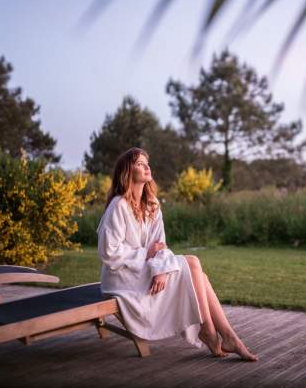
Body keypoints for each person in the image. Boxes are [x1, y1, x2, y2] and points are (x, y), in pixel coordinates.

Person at [96, 147, 257, 361]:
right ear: (127, 171)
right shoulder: (118, 205)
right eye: (140, 163)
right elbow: (108, 252)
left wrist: (161, 269)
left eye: (147, 162)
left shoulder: (152, 204)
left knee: (198, 273)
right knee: (192, 262)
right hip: (121, 278)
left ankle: (221, 334)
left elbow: (160, 245)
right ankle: (214, 333)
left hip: (143, 271)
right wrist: (147, 254)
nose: (146, 166)